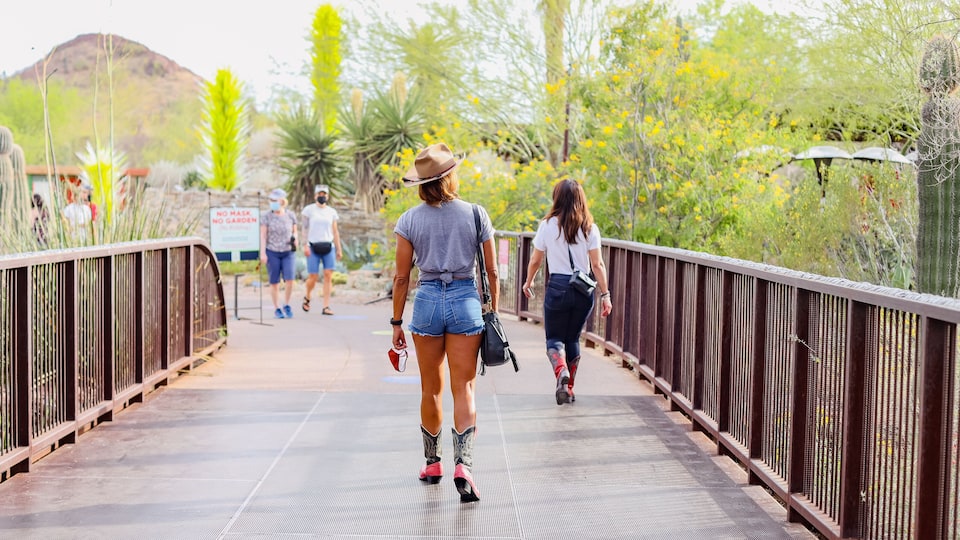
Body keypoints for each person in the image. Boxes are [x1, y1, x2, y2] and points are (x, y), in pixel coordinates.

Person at [391, 142, 498, 503]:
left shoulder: (409, 220)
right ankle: (464, 466)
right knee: (463, 389)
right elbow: (493, 272)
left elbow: (402, 278)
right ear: (450, 176)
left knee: (430, 389)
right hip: (465, 300)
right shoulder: (475, 214)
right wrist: (493, 311)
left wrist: (395, 322)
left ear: (421, 183)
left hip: (426, 304)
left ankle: (432, 463)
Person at [521, 179, 613, 405]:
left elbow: (536, 259)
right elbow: (597, 264)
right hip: (583, 290)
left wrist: (528, 281)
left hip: (558, 287)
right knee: (572, 337)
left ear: (557, 198)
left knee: (554, 338)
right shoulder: (590, 227)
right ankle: (569, 387)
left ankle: (560, 370)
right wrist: (605, 294)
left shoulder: (547, 225)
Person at [300, 184, 342, 315]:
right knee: (313, 276)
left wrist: (339, 249)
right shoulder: (309, 210)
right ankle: (307, 296)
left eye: (324, 194)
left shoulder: (331, 212)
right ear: (315, 195)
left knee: (328, 275)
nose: (322, 196)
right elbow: (304, 229)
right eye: (319, 194)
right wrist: (304, 245)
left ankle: (326, 306)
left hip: (328, 246)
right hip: (313, 246)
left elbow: (335, 231)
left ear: (327, 196)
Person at [260, 188, 298, 319]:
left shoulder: (290, 215)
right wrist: (263, 253)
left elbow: (295, 231)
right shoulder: (266, 217)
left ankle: (286, 304)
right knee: (274, 281)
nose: (272, 203)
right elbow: (263, 235)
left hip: (288, 251)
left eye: (274, 200)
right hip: (272, 251)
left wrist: (295, 238)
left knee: (290, 280)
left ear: (282, 201)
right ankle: (276, 308)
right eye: (271, 200)